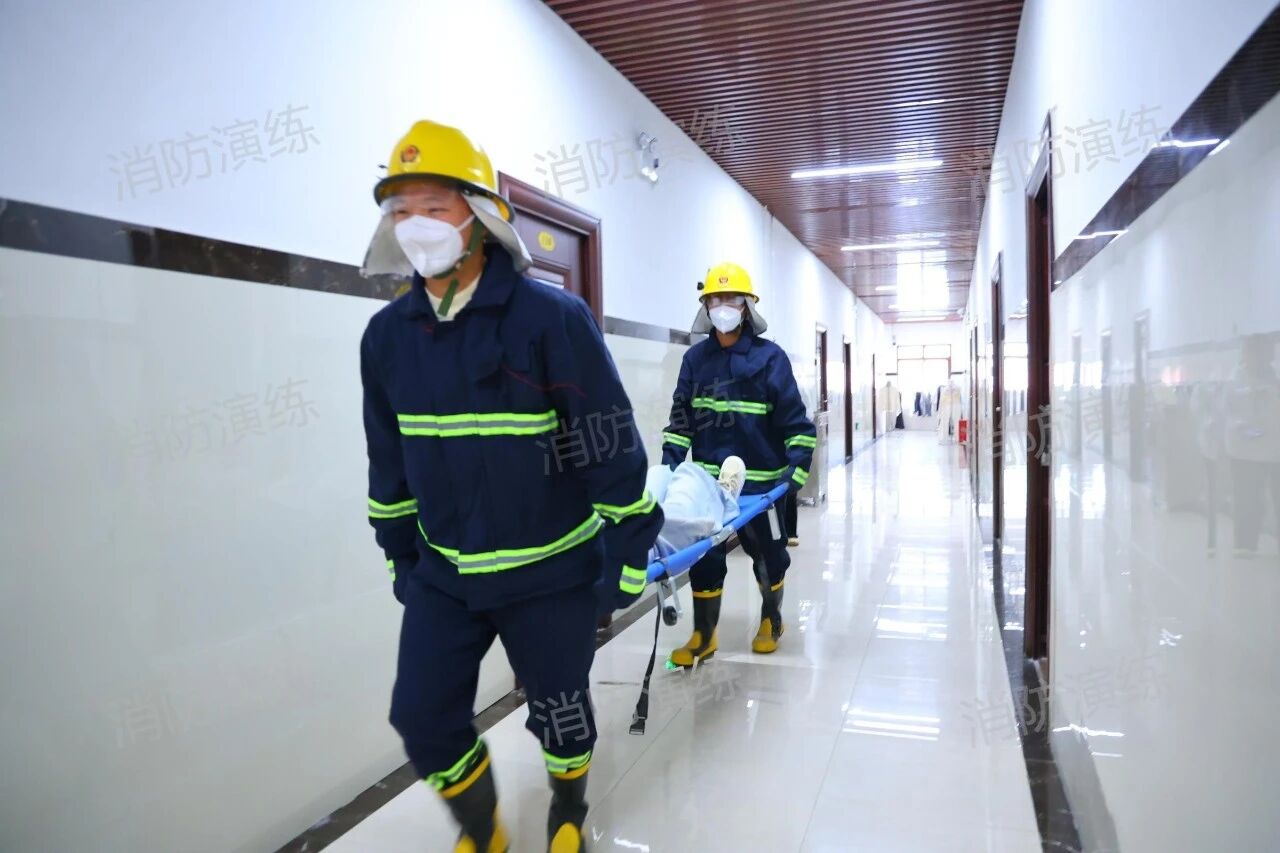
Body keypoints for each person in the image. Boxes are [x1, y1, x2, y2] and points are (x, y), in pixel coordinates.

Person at [359, 120, 662, 853]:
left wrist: (627, 553)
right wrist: (401, 555)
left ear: (479, 217)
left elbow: (608, 442)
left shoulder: (550, 320)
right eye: (401, 210)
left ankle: (568, 808)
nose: (416, 225)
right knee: (422, 718)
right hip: (446, 573)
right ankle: (482, 828)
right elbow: (388, 461)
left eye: (434, 207)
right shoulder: (387, 337)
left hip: (551, 571)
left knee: (561, 713)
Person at [660, 262, 815, 665]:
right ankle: (704, 635)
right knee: (705, 557)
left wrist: (794, 474)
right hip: (709, 487)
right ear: (705, 306)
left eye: (730, 298)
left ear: (746, 306)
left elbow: (796, 424)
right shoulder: (695, 360)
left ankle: (771, 620)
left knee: (769, 556)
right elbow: (681, 422)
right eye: (715, 299)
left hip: (761, 490)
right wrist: (667, 475)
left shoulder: (770, 358)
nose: (722, 306)